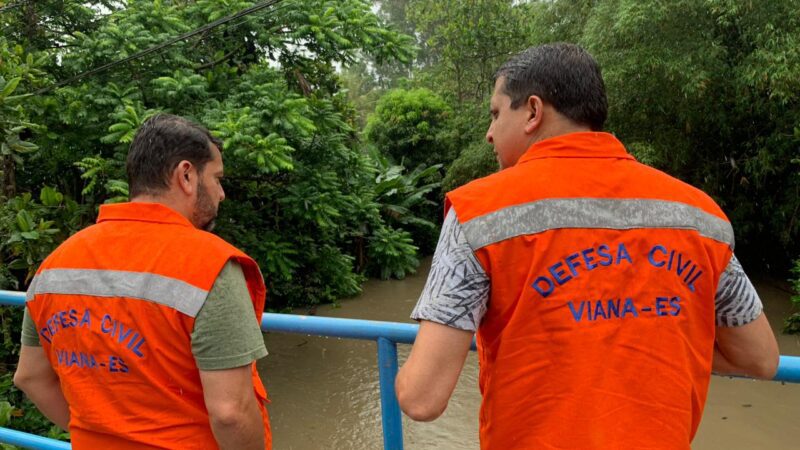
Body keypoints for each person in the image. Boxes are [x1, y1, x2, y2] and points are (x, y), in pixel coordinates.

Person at [395, 43, 780, 449]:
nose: (489, 133)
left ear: (532, 111)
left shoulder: (479, 213)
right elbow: (760, 358)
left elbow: (422, 398)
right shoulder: (700, 216)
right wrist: (651, 333)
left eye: (494, 113)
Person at [14, 114, 272, 449]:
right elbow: (230, 413)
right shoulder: (210, 265)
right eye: (217, 179)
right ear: (186, 175)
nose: (221, 193)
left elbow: (30, 376)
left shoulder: (55, 264)